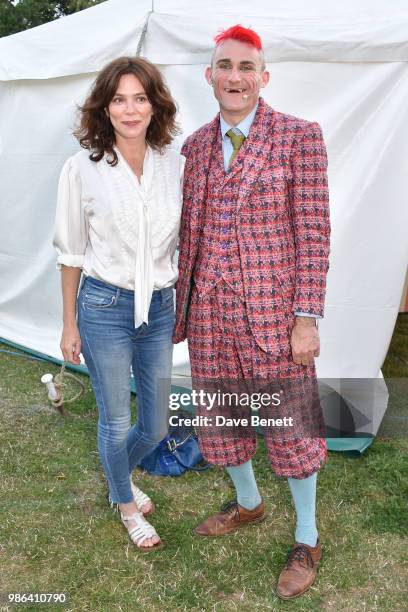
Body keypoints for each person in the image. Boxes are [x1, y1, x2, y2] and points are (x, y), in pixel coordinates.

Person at [173, 25, 330, 598]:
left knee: (291, 431)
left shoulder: (298, 137)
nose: (234, 77)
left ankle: (307, 536)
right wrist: (180, 313)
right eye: (224, 66)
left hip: (274, 320)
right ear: (209, 75)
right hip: (211, 317)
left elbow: (314, 233)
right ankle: (248, 503)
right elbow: (189, 236)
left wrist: (306, 316)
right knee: (224, 422)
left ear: (263, 77)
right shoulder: (192, 147)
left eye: (246, 67)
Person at [54, 57, 185, 551]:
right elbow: (70, 253)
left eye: (140, 98)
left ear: (155, 105)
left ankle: (117, 478)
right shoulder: (81, 168)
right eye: (118, 99)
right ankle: (126, 503)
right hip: (104, 305)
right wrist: (69, 324)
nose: (130, 109)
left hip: (159, 307)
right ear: (105, 108)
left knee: (155, 424)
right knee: (115, 419)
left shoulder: (176, 163)